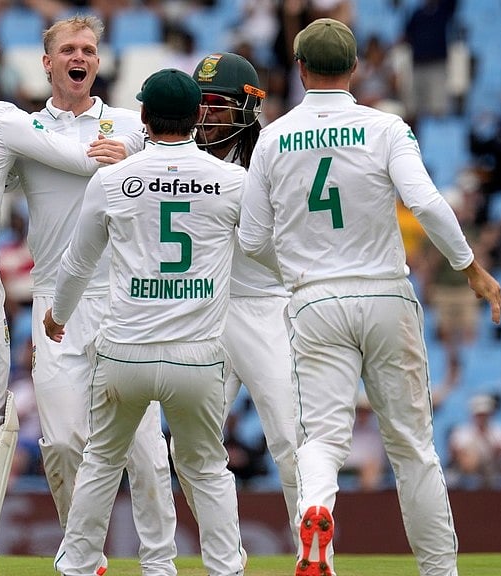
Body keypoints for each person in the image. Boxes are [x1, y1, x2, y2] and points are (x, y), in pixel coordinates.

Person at [0, 16, 177, 575]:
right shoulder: (18, 128)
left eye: (89, 49)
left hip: (124, 296)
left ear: (98, 60)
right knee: (64, 442)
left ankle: (159, 562)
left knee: (143, 446)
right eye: (69, 48)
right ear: (47, 63)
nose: (81, 57)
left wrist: (136, 160)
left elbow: (175, 171)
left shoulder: (131, 124)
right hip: (53, 301)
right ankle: (83, 555)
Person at [238, 18, 501, 576]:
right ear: (356, 67)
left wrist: (298, 270)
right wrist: (470, 268)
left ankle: (316, 512)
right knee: (412, 448)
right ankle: (439, 570)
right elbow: (428, 204)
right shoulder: (385, 127)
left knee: (322, 440)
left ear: (301, 68)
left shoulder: (271, 137)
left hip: (313, 300)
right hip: (385, 292)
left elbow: (253, 240)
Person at [45, 68, 245, 576]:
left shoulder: (113, 180)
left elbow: (77, 262)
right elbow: (266, 248)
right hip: (196, 353)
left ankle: (76, 567)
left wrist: (57, 315)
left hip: (126, 350)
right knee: (206, 470)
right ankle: (226, 569)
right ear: (199, 116)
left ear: (144, 118)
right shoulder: (232, 181)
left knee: (100, 463)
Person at [192, 50, 299, 528]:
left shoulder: (273, 154)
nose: (207, 115)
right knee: (192, 447)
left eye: (218, 104)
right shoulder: (179, 154)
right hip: (206, 311)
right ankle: (224, 555)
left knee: (289, 440)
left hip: (264, 308)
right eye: (201, 103)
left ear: (247, 106)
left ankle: (314, 553)